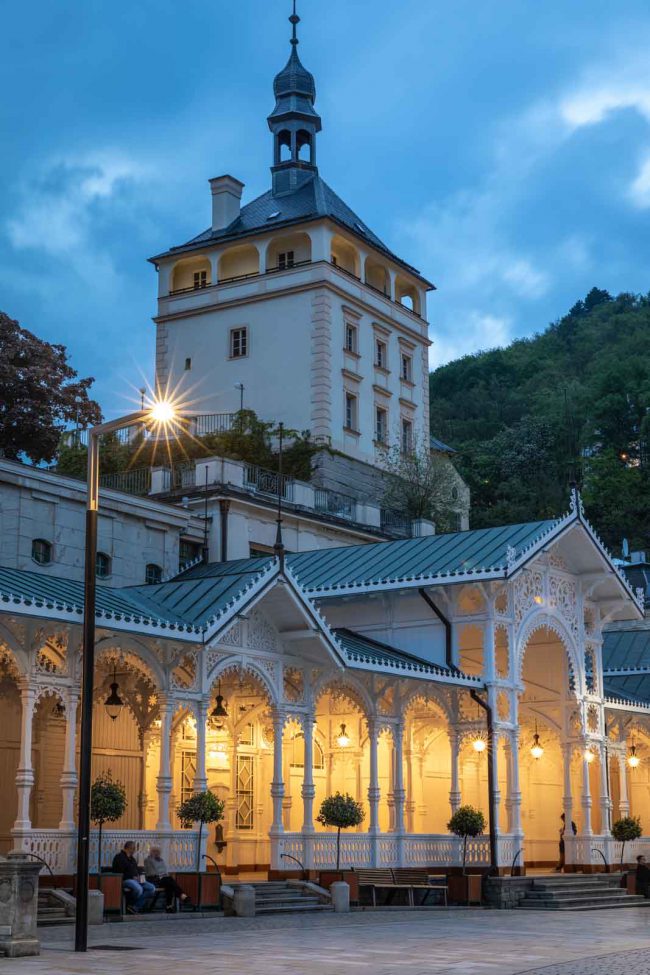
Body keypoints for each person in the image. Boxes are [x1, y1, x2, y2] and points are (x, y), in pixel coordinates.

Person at [112, 841, 155, 914]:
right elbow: (119, 871)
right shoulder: (119, 857)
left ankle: (135, 907)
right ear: (129, 848)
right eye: (134, 849)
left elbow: (136, 870)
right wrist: (132, 877)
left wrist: (139, 876)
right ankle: (130, 904)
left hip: (136, 880)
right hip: (125, 880)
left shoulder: (132, 859)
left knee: (151, 888)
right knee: (139, 889)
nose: (135, 851)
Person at [144, 846, 189, 913]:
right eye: (155, 851)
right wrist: (161, 875)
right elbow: (150, 872)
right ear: (151, 852)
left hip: (164, 879)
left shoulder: (161, 860)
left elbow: (165, 870)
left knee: (169, 884)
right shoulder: (148, 860)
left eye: (158, 852)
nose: (157, 853)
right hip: (155, 879)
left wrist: (164, 874)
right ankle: (182, 895)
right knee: (170, 881)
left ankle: (169, 906)